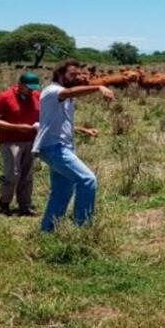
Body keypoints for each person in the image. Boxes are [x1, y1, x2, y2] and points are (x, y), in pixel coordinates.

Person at [33, 60, 115, 232]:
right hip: (54, 147)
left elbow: (57, 122)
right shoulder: (53, 91)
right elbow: (69, 92)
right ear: (61, 75)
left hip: (62, 146)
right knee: (87, 179)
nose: (76, 77)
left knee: (62, 191)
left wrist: (83, 130)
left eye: (78, 74)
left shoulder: (66, 97)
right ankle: (83, 227)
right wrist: (98, 87)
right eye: (72, 74)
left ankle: (47, 231)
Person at [0, 72, 42, 216]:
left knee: (27, 174)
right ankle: (4, 204)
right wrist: (16, 127)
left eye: (34, 88)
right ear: (20, 85)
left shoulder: (37, 97)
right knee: (12, 173)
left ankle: (25, 205)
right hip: (11, 141)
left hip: (31, 140)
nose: (32, 91)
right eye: (29, 88)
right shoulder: (5, 97)